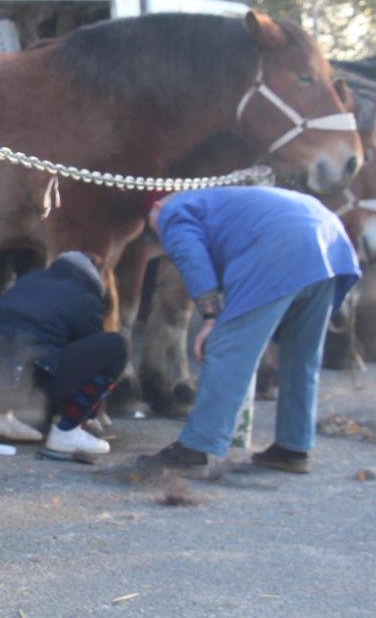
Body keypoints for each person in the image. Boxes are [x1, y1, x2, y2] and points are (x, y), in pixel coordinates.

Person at [137, 186, 360, 476]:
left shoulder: (172, 211)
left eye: (149, 228)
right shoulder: (220, 201)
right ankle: (292, 448)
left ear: (156, 205)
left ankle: (195, 449)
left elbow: (191, 258)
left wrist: (209, 318)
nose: (156, 238)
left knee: (228, 350)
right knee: (301, 356)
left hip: (281, 248)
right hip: (330, 245)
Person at [0, 250, 128, 458]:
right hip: (22, 381)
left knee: (21, 346)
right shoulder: (86, 298)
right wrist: (88, 415)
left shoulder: (32, 279)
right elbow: (87, 368)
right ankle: (67, 431)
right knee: (116, 347)